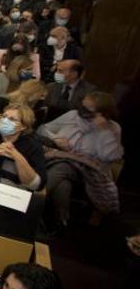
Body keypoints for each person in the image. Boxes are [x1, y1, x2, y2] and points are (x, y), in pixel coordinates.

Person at [37, 91, 123, 226]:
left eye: (86, 109)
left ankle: (31, 199)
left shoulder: (112, 129)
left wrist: (103, 130)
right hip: (59, 158)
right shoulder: (73, 116)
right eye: (82, 106)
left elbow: (110, 157)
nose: (81, 111)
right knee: (62, 185)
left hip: (88, 170)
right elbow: (42, 129)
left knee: (62, 167)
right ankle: (60, 220)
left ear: (101, 113)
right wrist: (55, 139)